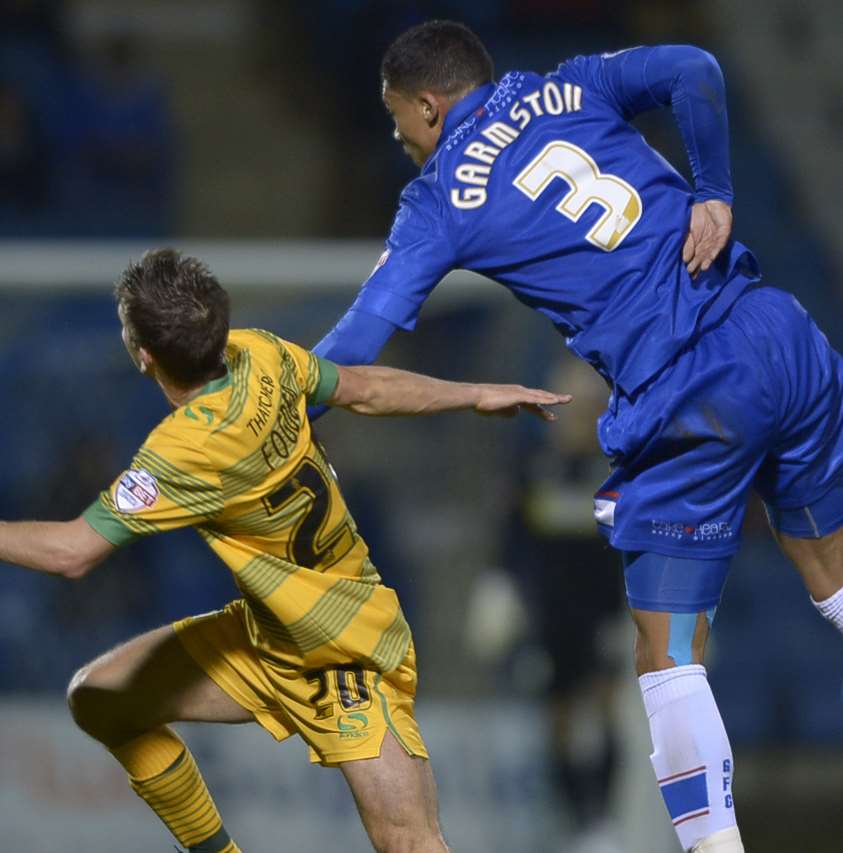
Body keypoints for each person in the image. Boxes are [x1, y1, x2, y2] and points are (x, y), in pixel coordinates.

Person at [311, 20, 843, 853]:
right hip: (774, 330)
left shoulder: (440, 196)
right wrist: (713, 189)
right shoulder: (564, 83)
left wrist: (271, 405)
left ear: (427, 105)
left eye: (396, 122)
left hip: (687, 391)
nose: (398, 140)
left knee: (666, 655)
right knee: (830, 575)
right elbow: (693, 66)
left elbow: (355, 340)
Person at [0, 248, 570, 853]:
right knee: (101, 698)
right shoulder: (261, 353)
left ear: (142, 354)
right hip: (268, 633)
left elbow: (71, 552)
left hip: (339, 648)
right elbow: (360, 386)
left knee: (410, 842)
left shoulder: (182, 450)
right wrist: (474, 392)